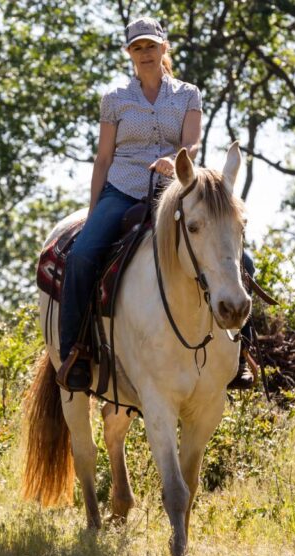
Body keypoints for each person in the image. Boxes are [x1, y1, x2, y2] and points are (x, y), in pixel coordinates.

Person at [58, 17, 255, 392]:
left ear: (164, 48)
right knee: (82, 256)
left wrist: (174, 158)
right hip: (123, 189)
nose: (145, 53)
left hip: (177, 188)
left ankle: (240, 352)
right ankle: (75, 352)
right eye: (137, 48)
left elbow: (192, 143)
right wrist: (96, 207)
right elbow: (103, 159)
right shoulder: (114, 100)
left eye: (151, 46)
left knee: (243, 260)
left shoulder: (187, 94)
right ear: (129, 54)